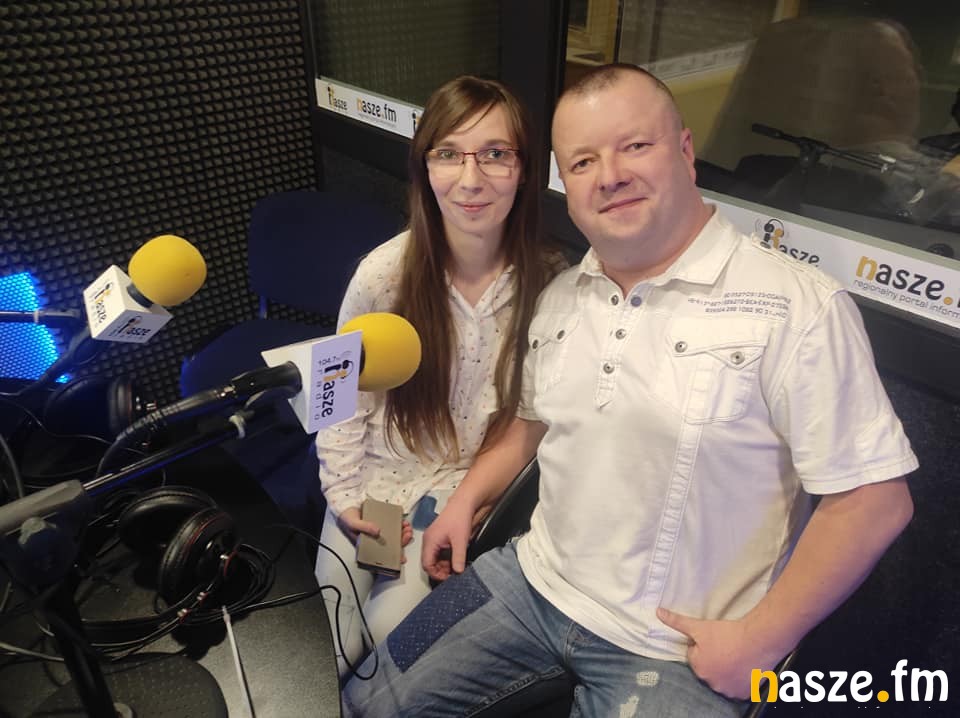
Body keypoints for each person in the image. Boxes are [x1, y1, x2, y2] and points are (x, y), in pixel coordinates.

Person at [340, 64, 917, 716]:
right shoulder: (562, 296)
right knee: (364, 703)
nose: (609, 175)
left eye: (634, 146)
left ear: (685, 151)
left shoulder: (795, 307)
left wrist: (763, 640)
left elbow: (874, 501)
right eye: (583, 161)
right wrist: (466, 500)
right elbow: (531, 420)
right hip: (532, 580)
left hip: (674, 643)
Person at [313, 75, 563, 678]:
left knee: (391, 642)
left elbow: (532, 419)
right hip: (372, 481)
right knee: (330, 650)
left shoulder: (552, 284)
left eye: (495, 154)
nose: (470, 179)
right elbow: (333, 394)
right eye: (449, 153)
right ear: (425, 167)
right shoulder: (382, 274)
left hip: (455, 488)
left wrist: (470, 500)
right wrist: (345, 499)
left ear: (524, 170)